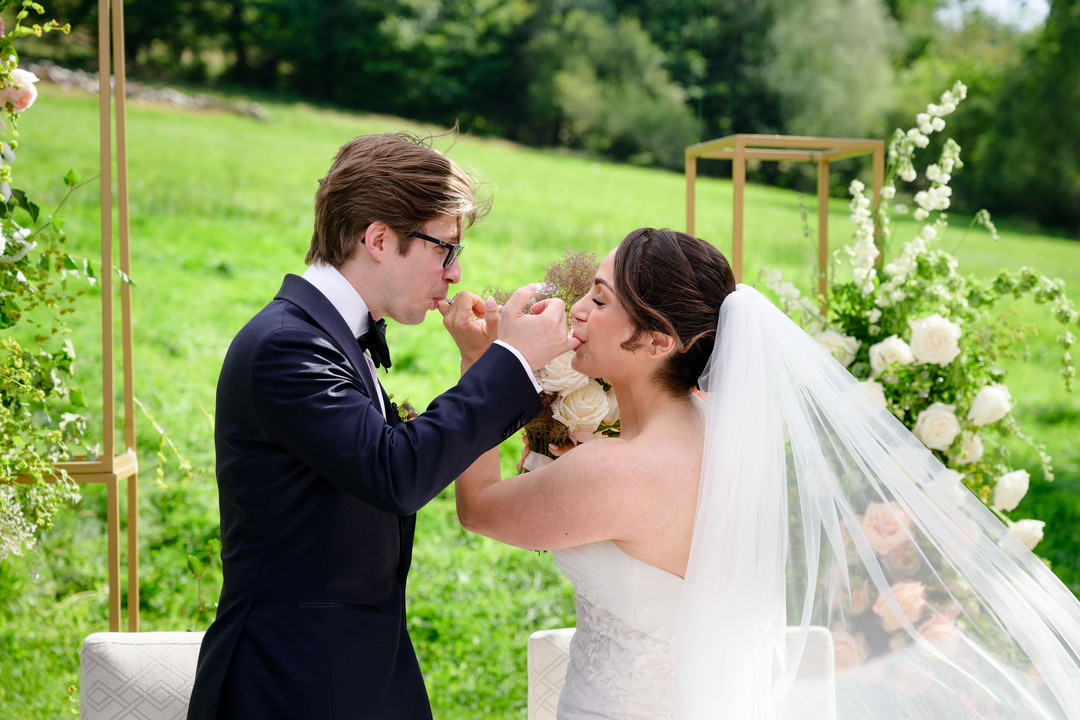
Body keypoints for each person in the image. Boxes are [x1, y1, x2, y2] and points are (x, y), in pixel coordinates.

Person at [449, 227, 1080, 719]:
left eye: (600, 298)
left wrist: (483, 362)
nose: (578, 310)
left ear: (659, 341)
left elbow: (478, 508)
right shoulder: (717, 428)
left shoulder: (618, 470)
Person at [187, 131, 572, 720]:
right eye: (446, 248)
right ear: (379, 238)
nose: (455, 272)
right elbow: (395, 470)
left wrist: (478, 363)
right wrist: (512, 362)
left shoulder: (330, 334)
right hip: (290, 683)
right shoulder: (286, 345)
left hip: (357, 671)